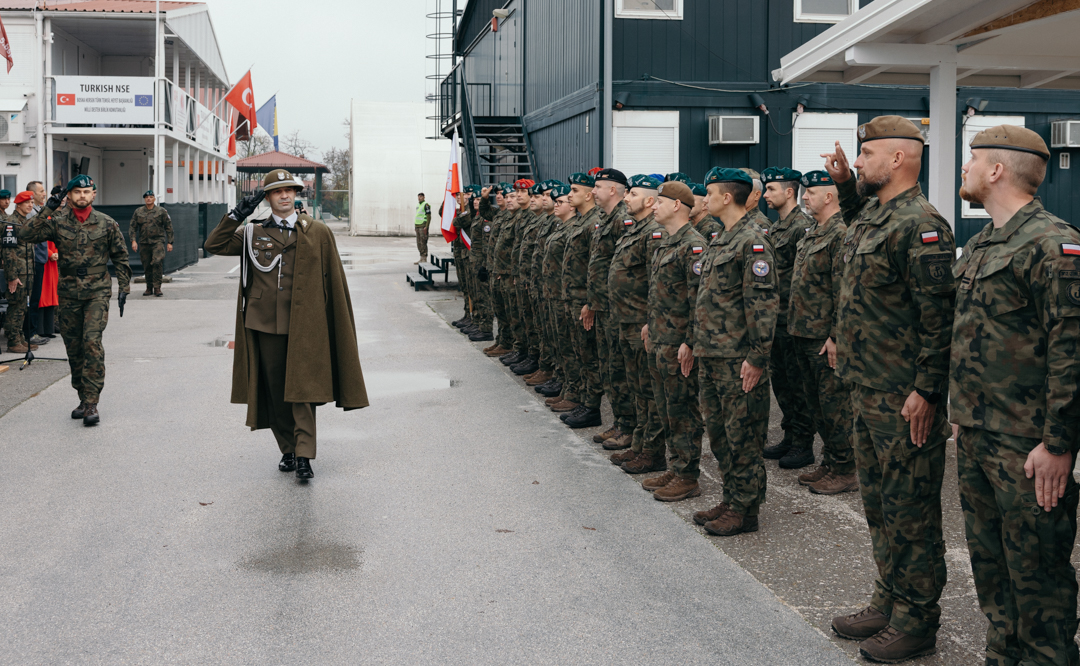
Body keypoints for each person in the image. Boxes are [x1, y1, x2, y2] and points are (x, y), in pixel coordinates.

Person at [822, 116, 955, 663]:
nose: (858, 161)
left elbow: (939, 318)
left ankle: (917, 619)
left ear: (898, 158)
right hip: (867, 387)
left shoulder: (922, 224)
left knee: (910, 511)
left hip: (903, 397)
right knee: (879, 505)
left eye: (867, 154)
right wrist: (843, 186)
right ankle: (890, 600)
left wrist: (928, 390)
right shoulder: (877, 213)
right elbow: (859, 228)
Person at [951, 125, 1080, 666]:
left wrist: (1059, 444)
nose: (965, 168)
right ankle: (1002, 653)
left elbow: (1071, 349)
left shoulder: (1053, 244)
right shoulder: (985, 242)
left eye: (972, 159)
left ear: (997, 170)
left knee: (1038, 570)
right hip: (979, 431)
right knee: (991, 562)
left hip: (1027, 442)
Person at [204, 169, 367, 481]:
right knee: (277, 390)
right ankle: (288, 449)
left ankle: (304, 455)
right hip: (265, 322)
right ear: (267, 197)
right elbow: (214, 244)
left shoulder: (317, 231)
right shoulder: (252, 233)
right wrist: (237, 215)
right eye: (277, 191)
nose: (284, 195)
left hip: (307, 323)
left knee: (303, 389)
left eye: (289, 190)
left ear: (296, 194)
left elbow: (333, 279)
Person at [691, 167, 777, 538]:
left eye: (709, 194)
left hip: (737, 358)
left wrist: (757, 358)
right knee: (721, 435)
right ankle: (731, 498)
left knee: (743, 437)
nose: (704, 200)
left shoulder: (752, 241)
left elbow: (763, 305)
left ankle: (745, 509)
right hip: (712, 354)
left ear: (727, 197)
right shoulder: (721, 238)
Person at [19, 175, 132, 426]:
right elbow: (26, 234)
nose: (82, 195)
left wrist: (124, 286)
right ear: (69, 196)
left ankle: (92, 402)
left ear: (94, 194)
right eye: (77, 192)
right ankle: (82, 397)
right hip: (68, 292)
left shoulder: (106, 223)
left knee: (91, 342)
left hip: (97, 292)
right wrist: (48, 209)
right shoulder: (57, 221)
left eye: (87, 191)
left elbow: (120, 256)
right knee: (73, 347)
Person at [786, 170, 857, 495]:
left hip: (824, 337)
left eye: (810, 193)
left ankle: (846, 468)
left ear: (829, 196)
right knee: (817, 406)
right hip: (804, 332)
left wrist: (836, 337)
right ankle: (831, 461)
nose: (804, 197)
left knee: (835, 407)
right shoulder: (814, 232)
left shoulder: (840, 233)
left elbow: (844, 290)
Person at [638, 180, 706, 501]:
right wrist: (649, 325)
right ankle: (676, 465)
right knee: (666, 407)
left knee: (683, 409)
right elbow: (660, 292)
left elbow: (698, 300)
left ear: (677, 205)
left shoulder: (693, 246)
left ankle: (688, 476)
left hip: (678, 343)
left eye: (660, 202)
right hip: (660, 339)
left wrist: (690, 342)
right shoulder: (666, 242)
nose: (654, 206)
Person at [606, 175, 666, 472]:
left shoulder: (654, 233)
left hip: (640, 322)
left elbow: (657, 282)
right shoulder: (634, 230)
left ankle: (652, 452)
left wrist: (649, 322)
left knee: (650, 391)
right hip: (625, 320)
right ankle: (640, 444)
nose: (626, 198)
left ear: (650, 200)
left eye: (633, 194)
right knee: (637, 389)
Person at [760, 167, 815, 469]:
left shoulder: (801, 227)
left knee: (798, 386)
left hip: (792, 322)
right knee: (781, 384)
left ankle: (803, 443)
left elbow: (802, 279)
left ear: (789, 192)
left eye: (771, 189)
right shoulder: (776, 227)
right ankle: (790, 435)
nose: (765, 195)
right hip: (775, 321)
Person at [575, 168, 631, 431]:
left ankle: (626, 425)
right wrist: (592, 302)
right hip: (602, 306)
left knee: (618, 371)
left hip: (616, 309)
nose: (593, 191)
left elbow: (625, 269)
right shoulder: (605, 219)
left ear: (612, 190)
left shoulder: (623, 220)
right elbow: (597, 265)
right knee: (608, 367)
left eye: (598, 187)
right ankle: (620, 423)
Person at [550, 172, 601, 415]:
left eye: (574, 191)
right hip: (571, 297)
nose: (569, 195)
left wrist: (590, 302)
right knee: (576, 350)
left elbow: (596, 266)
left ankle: (589, 404)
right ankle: (577, 396)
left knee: (587, 354)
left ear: (589, 195)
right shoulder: (581, 222)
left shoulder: (594, 223)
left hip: (583, 300)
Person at [2, 191, 37, 353]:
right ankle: (13, 340)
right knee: (16, 306)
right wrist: (12, 276)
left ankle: (20, 337)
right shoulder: (11, 223)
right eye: (27, 202)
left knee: (23, 307)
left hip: (27, 271)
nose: (30, 205)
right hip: (18, 273)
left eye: (32, 202)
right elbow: (8, 252)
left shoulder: (24, 221)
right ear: (18, 204)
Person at [129, 190, 174, 297]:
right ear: (145, 199)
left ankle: (157, 287)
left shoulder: (161, 211)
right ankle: (149, 287)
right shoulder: (138, 211)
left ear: (154, 199)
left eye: (150, 197)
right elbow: (133, 227)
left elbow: (168, 227)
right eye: (146, 197)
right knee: (147, 264)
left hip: (158, 241)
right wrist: (133, 241)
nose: (148, 199)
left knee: (157, 262)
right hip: (144, 242)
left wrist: (170, 242)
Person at [414, 192, 431, 265]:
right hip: (417, 226)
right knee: (418, 243)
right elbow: (417, 215)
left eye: (421, 196)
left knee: (423, 242)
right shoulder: (418, 205)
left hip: (423, 226)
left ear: (424, 197)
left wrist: (426, 227)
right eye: (418, 196)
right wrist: (415, 226)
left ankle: (424, 258)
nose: (419, 198)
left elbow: (429, 216)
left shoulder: (426, 205)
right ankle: (421, 257)